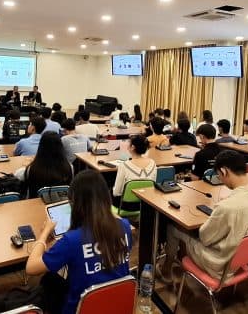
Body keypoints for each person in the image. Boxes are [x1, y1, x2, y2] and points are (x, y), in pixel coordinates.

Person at [25, 170, 133, 314]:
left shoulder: (72, 240)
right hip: (117, 305)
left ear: (74, 204)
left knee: (49, 281)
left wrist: (44, 233)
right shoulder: (125, 227)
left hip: (80, 309)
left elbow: (31, 268)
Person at [161, 150, 248, 282]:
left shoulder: (226, 207)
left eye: (219, 175)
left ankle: (166, 270)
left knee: (174, 227)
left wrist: (215, 216)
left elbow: (205, 238)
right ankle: (182, 260)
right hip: (245, 260)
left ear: (223, 171)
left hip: (219, 266)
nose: (220, 179)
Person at [15, 132, 73, 198]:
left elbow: (17, 175)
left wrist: (25, 166)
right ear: (61, 147)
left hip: (35, 203)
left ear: (40, 147)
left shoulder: (31, 169)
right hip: (60, 202)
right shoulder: (70, 167)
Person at [112, 136, 156, 206]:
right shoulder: (153, 163)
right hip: (146, 204)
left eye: (129, 142)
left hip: (126, 205)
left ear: (132, 147)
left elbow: (116, 193)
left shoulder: (124, 165)